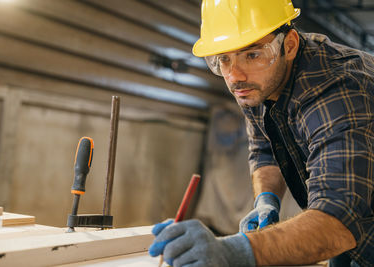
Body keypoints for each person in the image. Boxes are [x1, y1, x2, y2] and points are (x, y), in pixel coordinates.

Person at [148, 0, 374, 266]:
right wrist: (267, 201)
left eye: (252, 54)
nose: (234, 76)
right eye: (223, 59)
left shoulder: (338, 92)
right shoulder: (258, 81)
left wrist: (234, 252)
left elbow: (338, 221)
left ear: (288, 45)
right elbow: (265, 149)